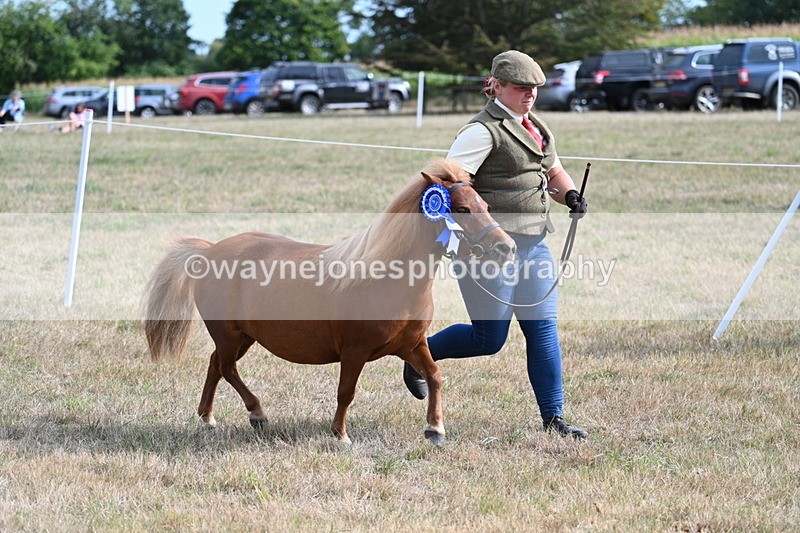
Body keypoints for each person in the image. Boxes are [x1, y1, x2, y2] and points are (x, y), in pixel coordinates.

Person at [402, 50, 590, 439]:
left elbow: (552, 171)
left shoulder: (536, 127)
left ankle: (553, 418)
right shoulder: (480, 132)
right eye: (521, 88)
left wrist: (569, 194)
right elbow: (451, 184)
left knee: (543, 329)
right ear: (497, 87)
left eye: (534, 89)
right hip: (489, 251)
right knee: (489, 339)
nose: (530, 95)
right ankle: (420, 354)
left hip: (534, 244)